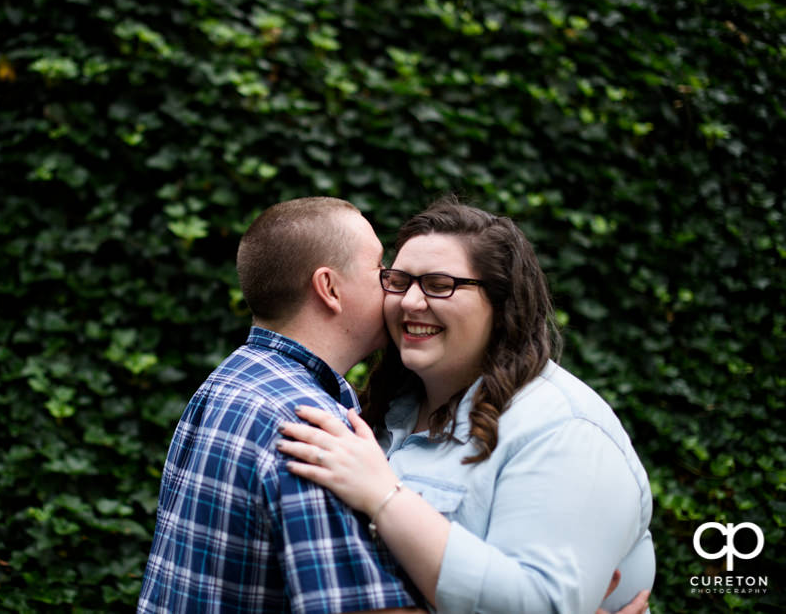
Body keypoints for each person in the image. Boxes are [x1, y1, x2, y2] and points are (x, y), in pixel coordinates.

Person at [277, 195, 656, 613]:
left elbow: (542, 605)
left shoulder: (565, 429)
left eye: (440, 285)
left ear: (502, 303)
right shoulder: (376, 413)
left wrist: (385, 495)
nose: (411, 302)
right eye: (399, 281)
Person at [138, 197, 423, 613]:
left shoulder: (229, 381)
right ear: (329, 288)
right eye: (380, 268)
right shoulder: (309, 428)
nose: (391, 282)